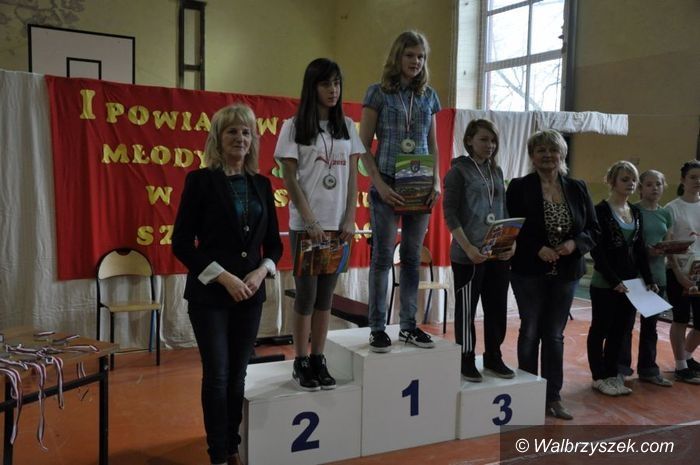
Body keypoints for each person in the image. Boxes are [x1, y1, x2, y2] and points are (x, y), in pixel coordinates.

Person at [172, 104, 283, 465]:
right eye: (232, 131)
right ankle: (218, 453)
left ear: (254, 140)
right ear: (217, 139)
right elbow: (181, 244)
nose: (240, 138)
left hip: (250, 295)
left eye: (246, 132)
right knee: (218, 376)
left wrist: (261, 271)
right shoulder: (200, 181)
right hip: (210, 297)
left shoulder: (262, 184)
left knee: (238, 376)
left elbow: (275, 246)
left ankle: (233, 444)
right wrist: (224, 276)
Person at [274, 58, 363, 391]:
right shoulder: (294, 126)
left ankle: (318, 358)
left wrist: (350, 217)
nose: (333, 90)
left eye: (337, 83)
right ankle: (300, 360)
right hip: (307, 226)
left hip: (338, 226)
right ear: (312, 87)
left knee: (327, 296)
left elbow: (352, 176)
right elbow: (289, 177)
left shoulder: (347, 126)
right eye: (326, 84)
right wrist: (310, 219)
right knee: (306, 295)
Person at [506, 129, 599, 419]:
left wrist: (575, 244)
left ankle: (553, 397)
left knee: (554, 335)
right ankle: (526, 394)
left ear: (562, 154)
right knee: (530, 330)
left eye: (553, 150)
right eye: (541, 150)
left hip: (566, 272)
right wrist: (537, 248)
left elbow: (593, 229)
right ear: (532, 156)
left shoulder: (578, 187)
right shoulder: (519, 186)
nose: (547, 155)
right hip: (528, 270)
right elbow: (512, 226)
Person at [359, 30, 441, 352]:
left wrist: (436, 181)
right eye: (410, 55)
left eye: (421, 56)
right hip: (387, 181)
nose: (416, 61)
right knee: (382, 257)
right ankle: (377, 327)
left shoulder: (429, 96)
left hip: (419, 182)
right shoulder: (377, 93)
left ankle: (408, 325)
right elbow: (363, 146)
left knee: (411, 257)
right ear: (398, 56)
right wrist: (379, 184)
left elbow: (432, 144)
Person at [443, 119, 515, 382]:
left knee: (496, 308)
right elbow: (450, 214)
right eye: (484, 139)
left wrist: (511, 243)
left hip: (497, 253)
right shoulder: (458, 172)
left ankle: (494, 357)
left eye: (493, 140)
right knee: (467, 310)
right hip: (468, 256)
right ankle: (465, 358)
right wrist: (469, 248)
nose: (490, 145)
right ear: (469, 141)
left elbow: (503, 210)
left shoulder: (496, 171)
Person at [587, 161, 657, 397]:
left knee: (621, 330)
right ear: (612, 181)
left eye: (633, 180)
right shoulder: (600, 211)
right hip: (605, 283)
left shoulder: (635, 212)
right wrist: (614, 280)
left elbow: (639, 249)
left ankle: (612, 374)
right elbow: (598, 252)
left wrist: (648, 278)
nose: (631, 184)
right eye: (625, 179)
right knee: (600, 329)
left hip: (631, 284)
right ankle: (598, 377)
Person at [618, 170, 673, 386]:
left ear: (663, 186)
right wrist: (644, 252)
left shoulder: (665, 214)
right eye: (649, 184)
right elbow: (626, 245)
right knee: (625, 325)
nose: (654, 188)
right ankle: (620, 368)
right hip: (635, 278)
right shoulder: (632, 211)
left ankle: (648, 369)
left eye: (658, 184)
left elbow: (667, 241)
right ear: (640, 188)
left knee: (651, 327)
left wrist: (669, 249)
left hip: (657, 277)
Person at [665, 160, 700, 384]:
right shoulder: (672, 208)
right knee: (680, 318)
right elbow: (668, 245)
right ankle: (680, 366)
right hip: (679, 271)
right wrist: (678, 274)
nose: (698, 181)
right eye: (693, 177)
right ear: (683, 180)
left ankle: (687, 356)